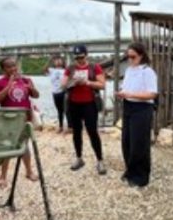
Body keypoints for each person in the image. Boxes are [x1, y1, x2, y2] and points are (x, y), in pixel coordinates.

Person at [0, 57, 39, 186]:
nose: (13, 69)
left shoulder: (25, 80)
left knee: (24, 145)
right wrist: (9, 85)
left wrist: (31, 88)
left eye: (14, 66)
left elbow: (36, 95)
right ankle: (3, 175)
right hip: (8, 119)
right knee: (7, 146)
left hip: (25, 119)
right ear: (3, 69)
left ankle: (29, 171)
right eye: (9, 67)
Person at [116, 43, 158, 187]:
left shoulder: (148, 72)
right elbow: (128, 87)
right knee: (126, 141)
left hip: (142, 108)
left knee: (139, 143)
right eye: (128, 57)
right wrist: (123, 93)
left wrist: (129, 94)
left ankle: (141, 177)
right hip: (128, 106)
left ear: (141, 55)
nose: (130, 60)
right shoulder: (128, 70)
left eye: (133, 57)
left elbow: (152, 93)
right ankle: (130, 170)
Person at [61, 45, 106, 174]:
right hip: (74, 104)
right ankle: (79, 158)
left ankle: (100, 160)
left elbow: (102, 85)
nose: (79, 60)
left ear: (86, 55)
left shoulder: (94, 67)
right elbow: (63, 85)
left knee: (92, 132)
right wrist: (72, 81)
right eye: (76, 58)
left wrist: (87, 82)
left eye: (81, 57)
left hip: (89, 104)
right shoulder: (70, 68)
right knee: (76, 132)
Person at [46, 55, 69, 133]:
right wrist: (49, 60)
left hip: (63, 92)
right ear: (54, 63)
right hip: (55, 93)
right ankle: (61, 126)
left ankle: (70, 126)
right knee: (59, 110)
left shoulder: (65, 70)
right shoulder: (51, 70)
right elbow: (44, 69)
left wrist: (64, 61)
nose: (58, 62)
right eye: (56, 60)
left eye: (60, 60)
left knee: (66, 109)